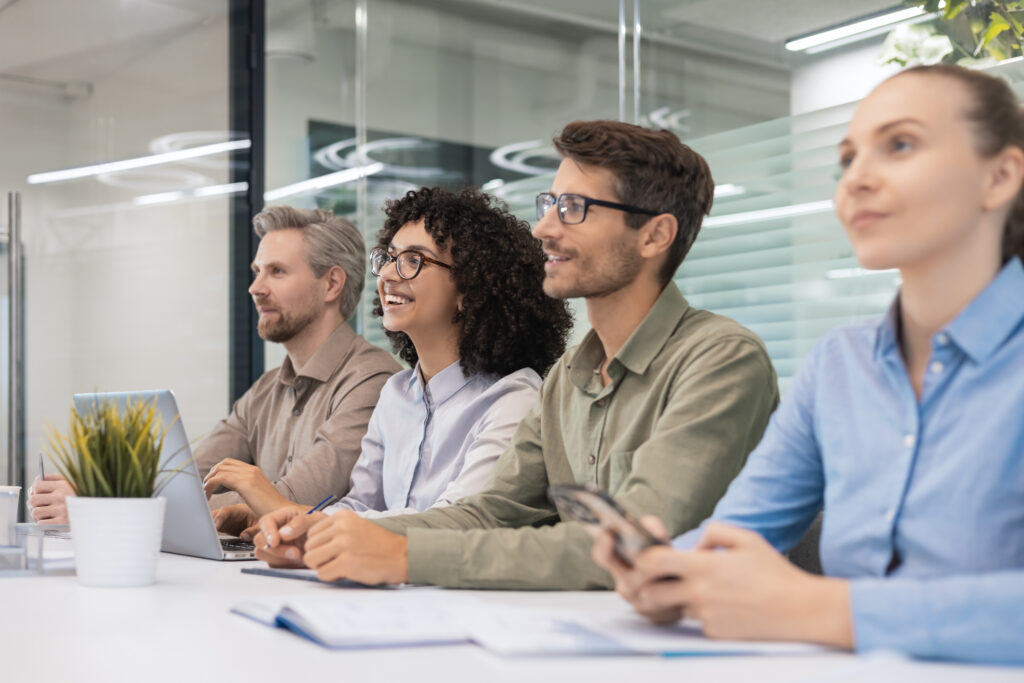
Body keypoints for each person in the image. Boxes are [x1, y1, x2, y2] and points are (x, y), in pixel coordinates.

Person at [593, 64, 1024, 666]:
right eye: (847, 160)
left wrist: (823, 609)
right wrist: (670, 572)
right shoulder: (840, 365)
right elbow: (738, 535)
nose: (857, 181)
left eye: (899, 145)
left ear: (1000, 175)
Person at [253, 119, 780, 589]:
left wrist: (404, 553)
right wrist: (325, 533)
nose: (544, 228)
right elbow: (490, 512)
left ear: (655, 235)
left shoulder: (721, 360)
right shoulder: (565, 381)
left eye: (574, 209)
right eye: (549, 205)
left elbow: (633, 543)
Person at [29, 206, 400, 526]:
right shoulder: (267, 389)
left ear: (332, 283)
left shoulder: (372, 381)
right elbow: (188, 480)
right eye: (257, 271)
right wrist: (102, 492)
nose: (256, 287)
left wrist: (105, 505)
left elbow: (286, 501)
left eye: (277, 272)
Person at [249, 187, 571, 531]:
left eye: (413, 261)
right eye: (388, 258)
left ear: (469, 287)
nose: (387, 275)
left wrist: (300, 520)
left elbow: (458, 521)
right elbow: (361, 503)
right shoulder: (396, 393)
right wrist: (287, 524)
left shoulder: (512, 400)